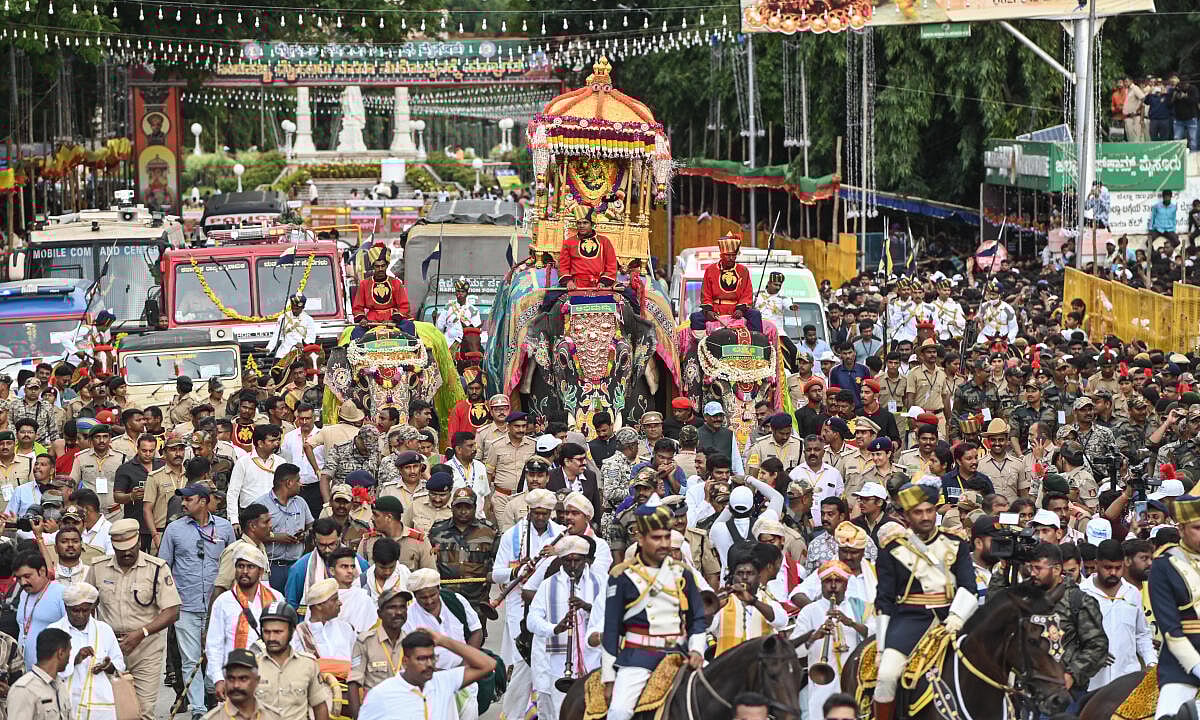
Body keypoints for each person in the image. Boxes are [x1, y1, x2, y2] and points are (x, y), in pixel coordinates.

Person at [873, 483, 978, 720]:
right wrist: (881, 646)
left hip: (952, 619)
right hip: (909, 620)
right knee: (887, 675)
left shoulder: (955, 543)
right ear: (908, 515)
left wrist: (956, 618)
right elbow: (885, 600)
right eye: (918, 512)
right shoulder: (893, 549)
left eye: (930, 510)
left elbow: (969, 587)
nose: (926, 517)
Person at [602, 505, 705, 720]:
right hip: (638, 657)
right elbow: (611, 629)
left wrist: (697, 650)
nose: (664, 544)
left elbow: (697, 619)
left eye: (667, 537)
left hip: (681, 654)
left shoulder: (683, 573)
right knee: (619, 712)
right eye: (657, 538)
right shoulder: (622, 575)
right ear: (641, 539)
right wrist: (609, 677)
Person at [85, 517, 180, 720]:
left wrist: (142, 633)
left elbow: (172, 611)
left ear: (138, 541)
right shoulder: (98, 567)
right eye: (121, 549)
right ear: (113, 546)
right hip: (108, 648)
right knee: (109, 707)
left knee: (143, 710)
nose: (127, 552)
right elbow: (87, 604)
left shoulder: (157, 568)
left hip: (146, 647)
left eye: (130, 547)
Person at [159, 483, 235, 719]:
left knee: (217, 655)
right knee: (190, 658)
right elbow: (164, 567)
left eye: (188, 500)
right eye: (183, 500)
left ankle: (216, 700)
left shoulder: (224, 528)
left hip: (218, 605)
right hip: (186, 604)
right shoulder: (174, 530)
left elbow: (233, 564)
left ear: (203, 501)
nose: (183, 504)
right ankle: (199, 710)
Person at [491, 488, 564, 720]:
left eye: (545, 513)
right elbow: (496, 574)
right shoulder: (512, 535)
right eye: (537, 513)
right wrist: (518, 570)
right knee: (522, 663)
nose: (541, 518)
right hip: (519, 606)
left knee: (549, 664)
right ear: (529, 511)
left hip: (553, 607)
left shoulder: (562, 535)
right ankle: (512, 714)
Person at [526, 535, 605, 720]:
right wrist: (555, 628)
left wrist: (587, 607)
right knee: (560, 711)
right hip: (557, 663)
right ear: (561, 561)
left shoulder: (602, 582)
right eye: (567, 561)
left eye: (577, 560)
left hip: (593, 660)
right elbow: (532, 620)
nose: (573, 565)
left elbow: (612, 616)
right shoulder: (548, 585)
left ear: (586, 560)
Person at [355, 629, 496, 720]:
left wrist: (443, 641)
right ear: (405, 661)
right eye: (421, 659)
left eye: (432, 657)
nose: (429, 664)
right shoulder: (382, 694)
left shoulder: (443, 681)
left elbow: (488, 664)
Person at [403, 568, 484, 720]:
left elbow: (476, 631)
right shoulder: (409, 617)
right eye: (423, 597)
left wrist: (465, 665)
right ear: (414, 596)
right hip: (432, 682)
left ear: (439, 589)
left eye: (432, 595)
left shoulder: (456, 601)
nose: (429, 601)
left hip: (464, 675)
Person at [792, 559, 867, 720]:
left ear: (846, 584)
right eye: (828, 581)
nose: (833, 586)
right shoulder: (809, 611)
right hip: (822, 682)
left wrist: (851, 623)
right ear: (821, 584)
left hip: (853, 681)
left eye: (838, 581)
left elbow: (874, 635)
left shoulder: (860, 607)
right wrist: (814, 637)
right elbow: (795, 651)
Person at [1081, 539, 1155, 690]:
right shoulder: (1081, 593)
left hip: (1127, 682)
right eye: (1107, 567)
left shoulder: (1132, 593)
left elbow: (1142, 634)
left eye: (1117, 567)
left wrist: (1151, 662)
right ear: (1096, 564)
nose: (1113, 573)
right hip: (1091, 683)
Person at [1150, 495, 1200, 718]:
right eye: (1198, 528)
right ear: (1180, 529)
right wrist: (1197, 667)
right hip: (1182, 668)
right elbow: (1171, 630)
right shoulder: (1164, 565)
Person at [49, 581, 125, 720]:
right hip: (66, 703)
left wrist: (108, 666)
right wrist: (74, 661)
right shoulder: (53, 631)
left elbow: (119, 664)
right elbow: (47, 670)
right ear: (66, 608)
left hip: (100, 706)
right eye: (76, 610)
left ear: (92, 608)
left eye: (85, 610)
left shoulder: (104, 630)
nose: (81, 615)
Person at [206, 545, 276, 687]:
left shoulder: (276, 598)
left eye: (250, 567)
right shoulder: (223, 601)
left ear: (261, 571)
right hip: (234, 679)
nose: (244, 571)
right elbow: (214, 645)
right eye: (240, 566)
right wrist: (218, 679)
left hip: (270, 677)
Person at [429, 487, 498, 621]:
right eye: (458, 506)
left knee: (476, 639)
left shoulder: (488, 532)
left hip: (477, 600)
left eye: (467, 506)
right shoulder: (437, 530)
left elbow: (500, 561)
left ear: (475, 507)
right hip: (446, 599)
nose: (463, 511)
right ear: (452, 507)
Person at [253, 600, 330, 720]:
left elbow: (319, 706)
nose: (272, 638)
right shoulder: (252, 667)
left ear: (292, 631)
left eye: (278, 632)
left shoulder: (308, 665)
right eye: (267, 632)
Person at [347, 587, 411, 713]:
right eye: (392, 607)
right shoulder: (365, 642)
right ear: (379, 613)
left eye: (402, 607)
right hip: (377, 710)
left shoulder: (410, 642)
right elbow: (354, 683)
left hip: (405, 709)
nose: (398, 612)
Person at [690, 231, 761, 332]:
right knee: (695, 318)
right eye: (728, 255)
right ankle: (701, 345)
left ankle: (756, 342)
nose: (731, 258)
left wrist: (740, 309)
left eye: (733, 255)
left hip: (736, 308)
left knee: (755, 314)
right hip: (716, 308)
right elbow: (706, 294)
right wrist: (709, 311)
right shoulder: (710, 270)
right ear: (722, 255)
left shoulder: (743, 270)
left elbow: (747, 293)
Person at [293, 578, 357, 681]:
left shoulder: (346, 629)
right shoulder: (298, 635)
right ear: (318, 605)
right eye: (334, 599)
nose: (340, 603)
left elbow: (357, 664)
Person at [13, 549, 66, 670]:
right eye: (18, 578)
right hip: (24, 671)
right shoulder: (23, 594)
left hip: (50, 672)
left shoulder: (61, 593)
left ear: (42, 571)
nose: (22, 582)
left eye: (27, 576)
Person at [6, 626, 71, 720]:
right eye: (69, 652)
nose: (69, 658)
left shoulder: (60, 685)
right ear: (60, 653)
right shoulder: (24, 690)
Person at [201, 648, 284, 720]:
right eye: (231, 678)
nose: (236, 685)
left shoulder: (273, 717)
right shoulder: (212, 718)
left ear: (256, 681)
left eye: (243, 679)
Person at [227, 425, 286, 517]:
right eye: (272, 441)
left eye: (278, 440)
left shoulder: (281, 462)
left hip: (276, 513)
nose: (277, 444)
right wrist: (234, 519)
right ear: (260, 443)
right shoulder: (243, 462)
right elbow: (233, 493)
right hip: (250, 514)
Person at [352, 246, 411, 336]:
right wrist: (362, 319)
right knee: (357, 332)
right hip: (371, 320)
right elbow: (357, 308)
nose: (380, 269)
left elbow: (404, 306)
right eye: (377, 266)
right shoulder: (364, 284)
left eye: (383, 266)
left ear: (387, 266)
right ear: (373, 267)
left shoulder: (396, 283)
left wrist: (393, 319)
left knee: (409, 326)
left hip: (393, 318)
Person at [267, 293, 318, 359]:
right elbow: (276, 335)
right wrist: (269, 349)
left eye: (297, 309)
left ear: (302, 307)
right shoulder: (283, 317)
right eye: (293, 308)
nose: (294, 310)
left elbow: (311, 338)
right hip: (284, 353)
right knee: (275, 368)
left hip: (301, 353)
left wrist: (303, 344)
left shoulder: (309, 319)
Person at [436, 278, 483, 349]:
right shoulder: (448, 307)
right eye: (458, 291)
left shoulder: (473, 310)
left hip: (467, 345)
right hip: (448, 344)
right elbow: (439, 327)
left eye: (463, 292)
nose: (460, 294)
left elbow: (475, 331)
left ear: (467, 293)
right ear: (455, 292)